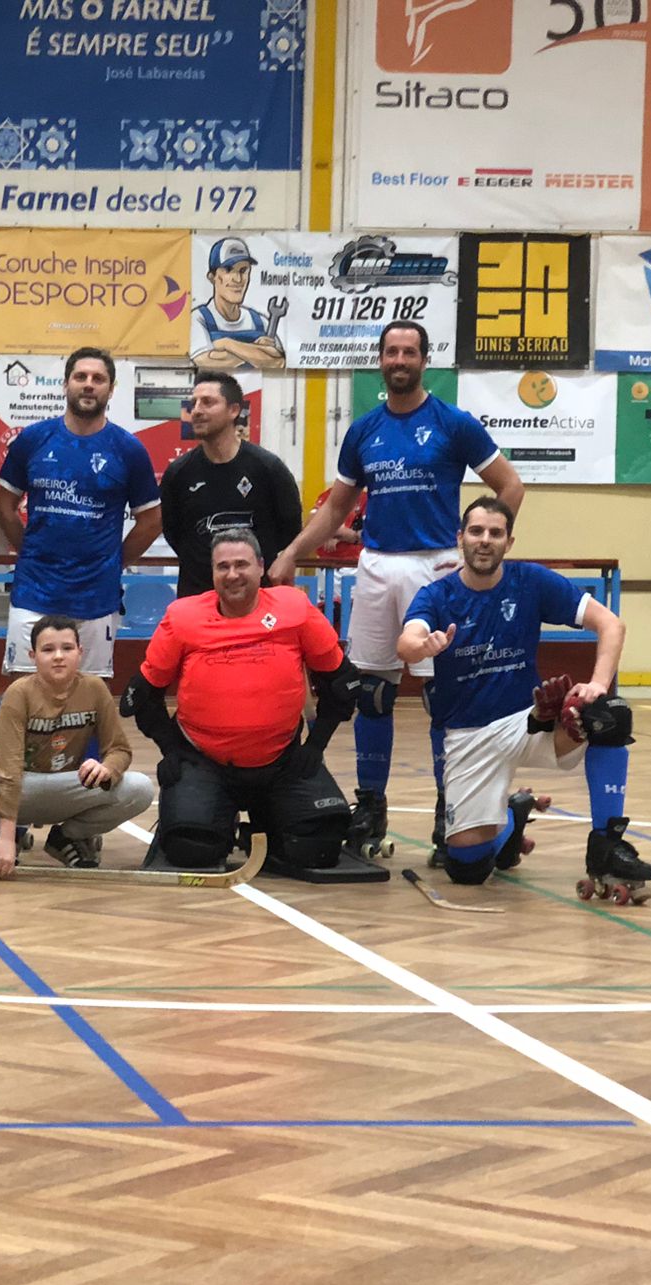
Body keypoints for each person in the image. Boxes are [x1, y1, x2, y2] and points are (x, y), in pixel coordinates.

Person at [272, 319, 525, 859]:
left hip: (435, 567)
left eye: (410, 352)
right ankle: (371, 806)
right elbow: (336, 510)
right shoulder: (364, 430)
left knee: (442, 695)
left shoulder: (454, 423)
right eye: (392, 352)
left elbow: (510, 485)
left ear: (424, 360)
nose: (400, 360)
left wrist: (480, 544)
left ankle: (450, 807)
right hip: (376, 566)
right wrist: (292, 552)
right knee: (372, 693)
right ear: (381, 360)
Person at [399, 497, 651, 901]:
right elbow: (407, 641)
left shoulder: (530, 581)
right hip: (468, 735)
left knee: (609, 715)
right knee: (467, 869)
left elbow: (611, 624)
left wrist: (598, 684)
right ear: (460, 538)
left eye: (495, 533)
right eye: (476, 531)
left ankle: (607, 845)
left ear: (509, 541)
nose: (485, 540)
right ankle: (513, 816)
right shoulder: (437, 596)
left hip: (530, 721)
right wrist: (422, 646)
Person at [123, 530, 358, 872]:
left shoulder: (294, 608)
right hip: (204, 759)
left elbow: (341, 682)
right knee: (191, 850)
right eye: (223, 567)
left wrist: (315, 745)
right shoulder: (183, 617)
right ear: (212, 572)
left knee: (319, 848)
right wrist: (171, 749)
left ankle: (265, 824)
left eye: (241, 564)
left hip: (282, 760)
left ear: (261, 567)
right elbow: (143, 695)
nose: (232, 574)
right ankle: (218, 821)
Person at [0, 347, 161, 681]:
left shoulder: (128, 449)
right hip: (34, 591)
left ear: (111, 389)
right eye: (80, 376)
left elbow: (152, 520)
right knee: (25, 690)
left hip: (96, 597)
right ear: (66, 383)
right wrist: (29, 551)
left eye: (98, 378)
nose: (88, 384)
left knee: (90, 696)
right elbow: (4, 506)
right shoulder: (33, 439)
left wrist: (113, 562)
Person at [0, 615, 154, 876]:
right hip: (23, 784)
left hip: (67, 785)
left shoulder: (95, 689)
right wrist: (6, 837)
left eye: (67, 648)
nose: (58, 656)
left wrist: (107, 768)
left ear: (80, 652)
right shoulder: (19, 693)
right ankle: (8, 836)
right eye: (48, 649)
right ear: (32, 656)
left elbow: (119, 749)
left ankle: (67, 837)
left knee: (140, 788)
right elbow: (9, 768)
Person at [159, 371, 304, 598]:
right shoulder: (178, 473)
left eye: (207, 402)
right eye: (193, 403)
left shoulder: (268, 469)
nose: (196, 410)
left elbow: (290, 529)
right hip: (197, 597)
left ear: (234, 410)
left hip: (257, 599)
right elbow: (173, 532)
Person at [189, 238, 287, 371]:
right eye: (228, 270)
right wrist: (258, 351)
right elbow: (206, 361)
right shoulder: (199, 318)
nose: (238, 279)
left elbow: (277, 362)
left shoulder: (260, 321)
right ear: (212, 277)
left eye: (243, 270)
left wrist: (226, 343)